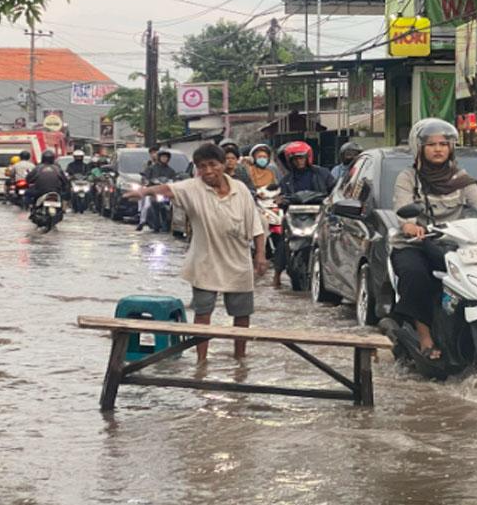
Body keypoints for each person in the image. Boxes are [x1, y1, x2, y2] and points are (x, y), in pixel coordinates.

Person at [390, 119, 477, 360]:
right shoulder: (408, 177)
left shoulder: (460, 178)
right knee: (416, 275)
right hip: (415, 245)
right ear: (419, 148)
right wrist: (409, 225)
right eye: (431, 144)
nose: (439, 149)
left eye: (444, 143)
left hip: (451, 245)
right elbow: (402, 206)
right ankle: (424, 336)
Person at [127, 143, 267, 361]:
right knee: (202, 315)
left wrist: (260, 255)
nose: (208, 171)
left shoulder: (241, 191)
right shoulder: (193, 187)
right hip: (205, 263)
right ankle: (201, 362)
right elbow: (167, 189)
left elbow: (256, 226)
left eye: (213, 165)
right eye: (202, 167)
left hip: (238, 262)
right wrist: (143, 192)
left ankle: (240, 359)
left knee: (242, 316)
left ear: (223, 165)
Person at [271, 141, 336, 288]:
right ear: (290, 161)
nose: (299, 161)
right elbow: (279, 196)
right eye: (295, 159)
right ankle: (277, 275)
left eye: (301, 158)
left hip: (320, 216)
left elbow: (334, 190)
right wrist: (280, 200)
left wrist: (330, 199)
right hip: (295, 218)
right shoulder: (286, 181)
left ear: (308, 158)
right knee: (282, 241)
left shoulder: (323, 174)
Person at [137, 148, 178, 231]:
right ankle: (142, 221)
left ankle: (169, 223)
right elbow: (145, 177)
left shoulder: (171, 170)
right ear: (159, 158)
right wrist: (147, 182)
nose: (164, 159)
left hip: (165, 193)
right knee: (146, 205)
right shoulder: (151, 168)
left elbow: (174, 179)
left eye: (166, 157)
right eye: (163, 157)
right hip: (153, 192)